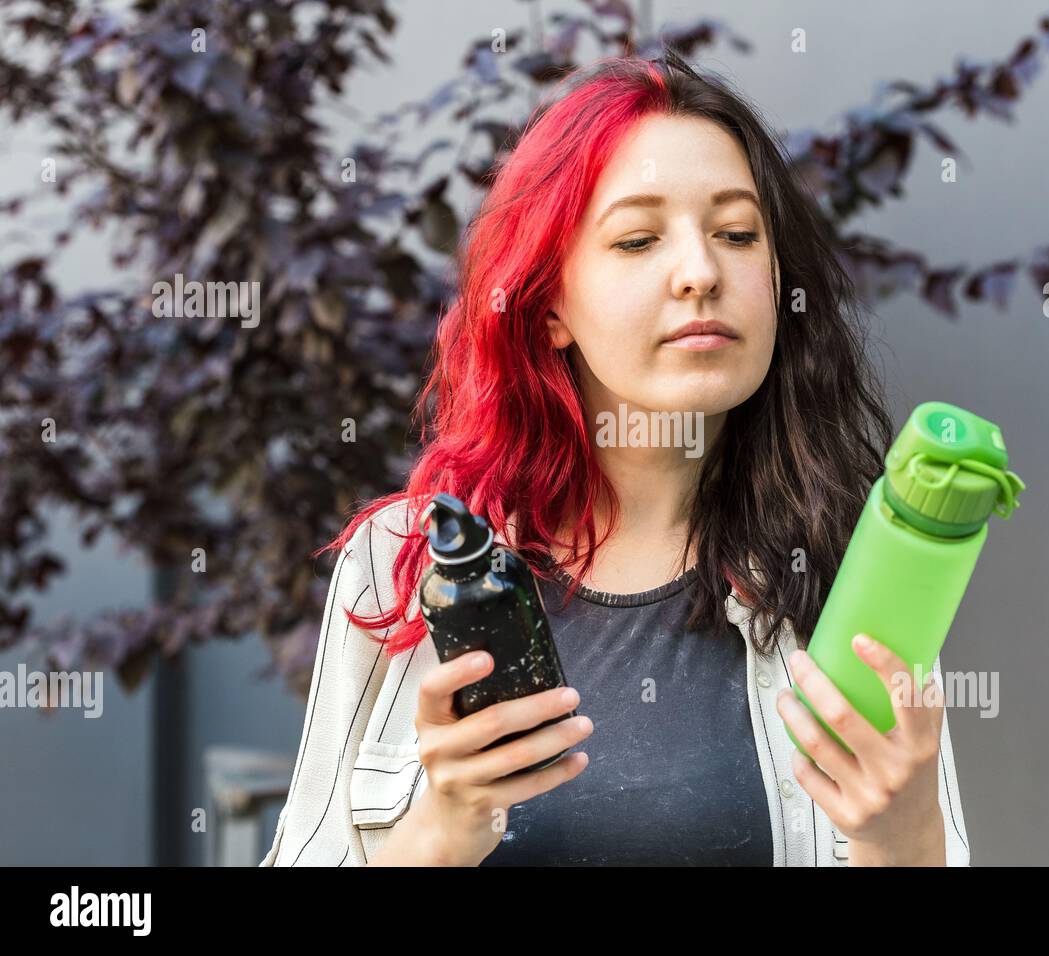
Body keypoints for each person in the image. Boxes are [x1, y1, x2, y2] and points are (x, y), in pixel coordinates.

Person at [261, 48, 970, 867]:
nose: (702, 272)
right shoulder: (402, 563)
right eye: (637, 240)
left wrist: (904, 836)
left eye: (738, 233)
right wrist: (442, 829)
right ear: (549, 304)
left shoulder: (855, 566)